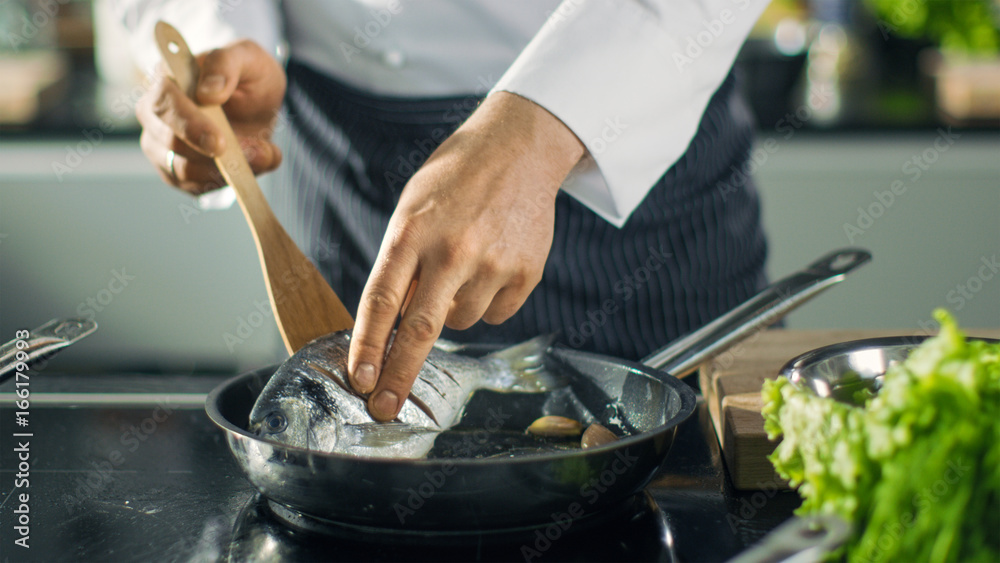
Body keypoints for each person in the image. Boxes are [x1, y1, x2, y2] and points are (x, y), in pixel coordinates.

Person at [122, 0, 772, 421]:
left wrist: (538, 130)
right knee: (343, 444)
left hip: (635, 130)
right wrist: (217, 39)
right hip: (347, 158)